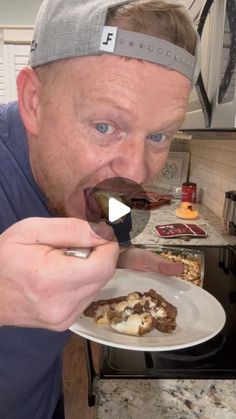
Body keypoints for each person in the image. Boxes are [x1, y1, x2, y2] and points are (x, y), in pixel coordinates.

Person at [0, 0, 200, 418]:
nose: (136, 169)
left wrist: (125, 260)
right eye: (105, 126)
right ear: (34, 101)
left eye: (159, 135)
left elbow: (115, 230)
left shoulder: (116, 190)